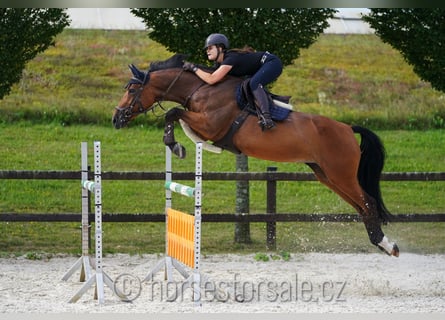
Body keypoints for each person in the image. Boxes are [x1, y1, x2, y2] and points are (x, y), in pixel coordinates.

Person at [183, 33, 283, 130]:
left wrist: (194, 68)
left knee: (254, 83)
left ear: (220, 48)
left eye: (210, 48)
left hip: (272, 62)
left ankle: (267, 118)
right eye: (207, 49)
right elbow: (209, 77)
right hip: (261, 67)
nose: (207, 51)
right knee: (247, 86)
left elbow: (211, 79)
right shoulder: (219, 64)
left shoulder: (230, 58)